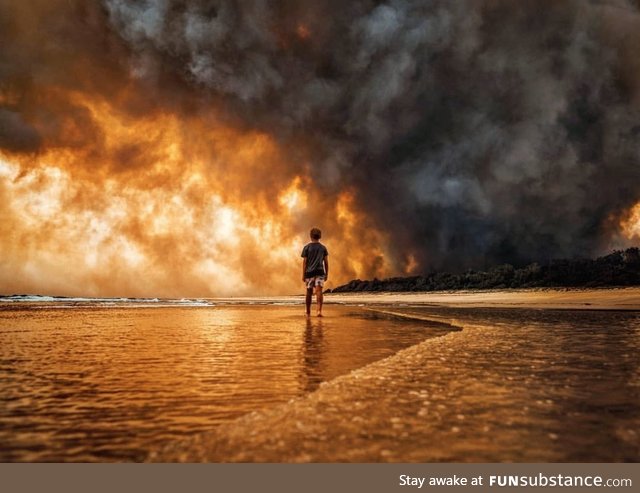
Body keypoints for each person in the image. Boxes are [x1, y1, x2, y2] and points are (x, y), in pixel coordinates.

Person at [301, 227, 329, 317]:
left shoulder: (307, 247)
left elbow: (305, 263)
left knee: (309, 292)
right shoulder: (323, 248)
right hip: (320, 272)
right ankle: (319, 311)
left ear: (310, 236)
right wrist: (326, 274)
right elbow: (326, 262)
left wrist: (303, 274)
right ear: (320, 236)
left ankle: (308, 311)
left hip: (309, 273)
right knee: (319, 291)